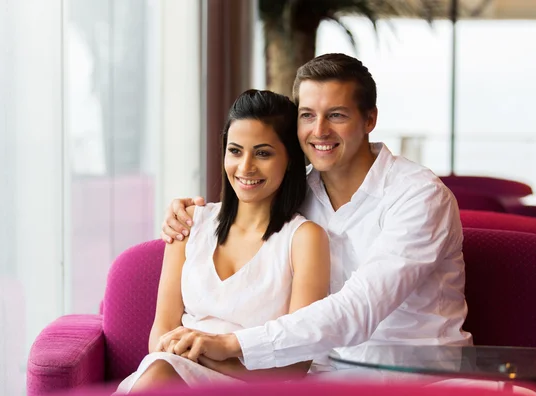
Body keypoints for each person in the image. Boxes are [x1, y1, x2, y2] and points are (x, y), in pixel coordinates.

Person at [158, 53, 472, 371]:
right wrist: (184, 214)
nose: (319, 130)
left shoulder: (418, 196)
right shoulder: (294, 194)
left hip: (414, 377)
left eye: (336, 115)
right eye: (308, 115)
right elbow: (242, 206)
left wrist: (232, 345)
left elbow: (360, 308)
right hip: (319, 378)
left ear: (369, 120)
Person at [116, 89, 330, 392]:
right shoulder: (190, 222)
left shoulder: (304, 239)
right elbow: (161, 334)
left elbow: (297, 361)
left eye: (263, 153)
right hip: (168, 372)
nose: (245, 167)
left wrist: (213, 355)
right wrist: (189, 355)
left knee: (162, 373)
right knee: (161, 371)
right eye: (236, 151)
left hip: (248, 385)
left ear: (291, 161)